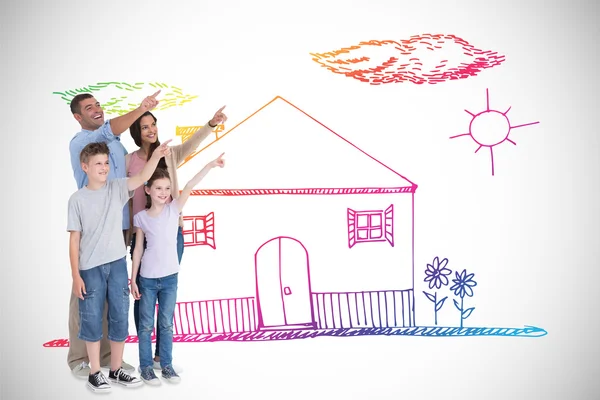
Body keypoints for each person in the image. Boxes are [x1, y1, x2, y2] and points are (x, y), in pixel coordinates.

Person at [67, 90, 161, 378]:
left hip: (119, 225)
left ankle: (108, 358)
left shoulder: (117, 146)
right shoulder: (83, 141)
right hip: (91, 226)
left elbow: (131, 182)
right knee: (83, 292)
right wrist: (140, 108)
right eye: (88, 107)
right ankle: (80, 358)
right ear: (78, 116)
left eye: (97, 104)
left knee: (111, 295)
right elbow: (109, 129)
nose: (96, 109)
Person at [126, 106, 227, 371]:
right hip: (141, 229)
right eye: (145, 126)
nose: (151, 130)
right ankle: (144, 351)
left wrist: (211, 124)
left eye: (153, 125)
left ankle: (162, 355)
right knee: (142, 295)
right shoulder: (129, 161)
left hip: (171, 230)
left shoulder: (169, 154)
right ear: (137, 132)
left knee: (167, 286)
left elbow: (193, 144)